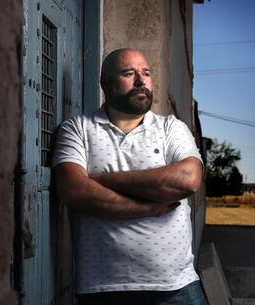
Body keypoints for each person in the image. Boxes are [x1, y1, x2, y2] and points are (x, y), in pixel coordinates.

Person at [52, 48, 206, 305]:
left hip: (176, 288)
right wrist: (149, 208)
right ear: (106, 84)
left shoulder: (171, 128)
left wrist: (100, 179)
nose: (141, 80)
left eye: (146, 73)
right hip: (102, 289)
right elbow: (73, 190)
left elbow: (187, 179)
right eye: (128, 73)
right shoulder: (77, 128)